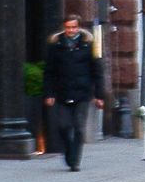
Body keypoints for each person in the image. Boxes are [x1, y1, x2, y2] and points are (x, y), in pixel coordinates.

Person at [44, 15, 106, 172]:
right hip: (62, 92)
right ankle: (68, 151)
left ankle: (74, 160)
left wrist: (99, 95)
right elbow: (49, 72)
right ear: (64, 28)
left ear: (78, 28)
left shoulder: (88, 45)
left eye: (73, 27)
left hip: (82, 93)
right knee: (63, 126)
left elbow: (97, 72)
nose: (70, 30)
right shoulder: (56, 46)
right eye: (68, 27)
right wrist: (49, 93)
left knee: (79, 127)